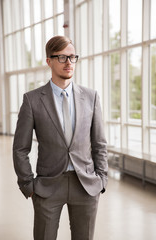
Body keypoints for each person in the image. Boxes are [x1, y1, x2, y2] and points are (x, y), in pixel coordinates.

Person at [13, 35, 108, 240]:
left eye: (73, 57)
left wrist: (102, 179)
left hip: (86, 186)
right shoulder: (32, 100)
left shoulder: (91, 97)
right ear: (49, 61)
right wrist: (28, 185)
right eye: (62, 57)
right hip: (47, 187)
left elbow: (99, 143)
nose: (69, 63)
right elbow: (20, 148)